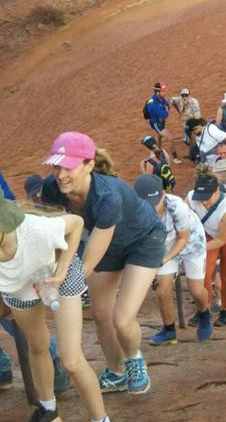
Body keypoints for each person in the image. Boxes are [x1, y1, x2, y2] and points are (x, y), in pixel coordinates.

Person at [0, 197, 129, 422]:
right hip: (17, 285)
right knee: (37, 346)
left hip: (59, 270)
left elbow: (77, 223)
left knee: (70, 358)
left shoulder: (36, 230)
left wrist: (59, 273)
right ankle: (48, 410)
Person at [41, 132, 166, 395]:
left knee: (122, 319)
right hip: (109, 245)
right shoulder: (53, 189)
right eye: (56, 166)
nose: (61, 174)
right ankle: (116, 370)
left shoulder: (108, 196)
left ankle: (134, 359)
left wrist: (65, 280)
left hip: (143, 240)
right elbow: (53, 231)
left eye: (69, 166)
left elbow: (92, 255)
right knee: (100, 314)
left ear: (89, 164)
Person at [133, 174, 211, 344]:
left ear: (163, 194)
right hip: (165, 244)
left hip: (191, 242)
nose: (151, 208)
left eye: (154, 203)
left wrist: (162, 260)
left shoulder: (177, 206)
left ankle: (204, 313)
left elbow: (183, 237)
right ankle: (169, 330)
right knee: (162, 291)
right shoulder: (136, 209)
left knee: (196, 289)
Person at [186, 169, 226, 328]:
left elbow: (222, 239)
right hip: (209, 233)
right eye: (201, 199)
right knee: (203, 275)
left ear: (217, 191)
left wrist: (196, 247)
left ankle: (225, 310)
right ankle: (203, 310)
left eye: (207, 198)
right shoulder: (190, 199)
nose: (204, 203)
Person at [143, 82, 179, 162]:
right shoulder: (153, 105)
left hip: (160, 121)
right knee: (170, 138)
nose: (165, 93)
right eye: (163, 91)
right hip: (157, 124)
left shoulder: (160, 97)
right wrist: (166, 109)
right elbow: (164, 115)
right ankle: (175, 157)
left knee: (159, 137)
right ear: (157, 92)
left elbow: (166, 104)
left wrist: (166, 106)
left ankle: (157, 154)